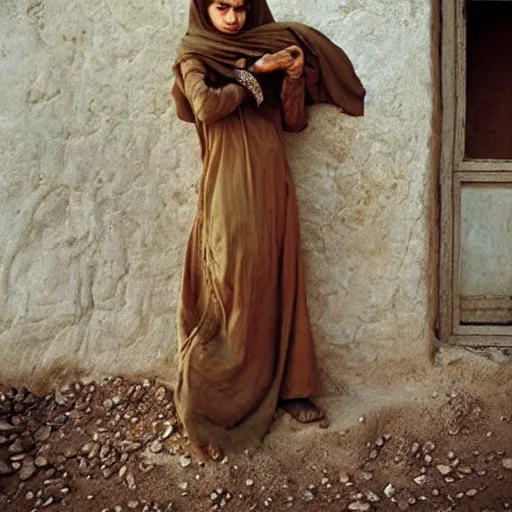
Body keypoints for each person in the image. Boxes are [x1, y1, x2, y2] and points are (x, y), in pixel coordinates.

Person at [172, 0, 365, 460]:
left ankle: (291, 388)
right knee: (229, 289)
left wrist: (293, 76)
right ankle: (214, 402)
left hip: (274, 185)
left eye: (241, 7)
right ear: (205, 9)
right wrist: (251, 74)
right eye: (223, 7)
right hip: (228, 192)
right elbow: (204, 107)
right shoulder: (195, 54)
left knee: (281, 283)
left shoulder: (272, 45)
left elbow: (293, 122)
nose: (234, 18)